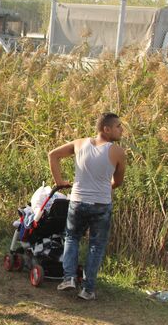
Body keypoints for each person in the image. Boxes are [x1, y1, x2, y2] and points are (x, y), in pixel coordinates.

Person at [48, 112, 126, 300]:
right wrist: (106, 189)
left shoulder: (79, 143)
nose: (121, 130)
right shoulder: (116, 151)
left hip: (77, 201)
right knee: (96, 246)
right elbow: (118, 182)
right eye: (118, 126)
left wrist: (59, 181)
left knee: (72, 238)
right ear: (106, 129)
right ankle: (88, 289)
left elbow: (53, 155)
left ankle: (69, 279)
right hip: (101, 204)